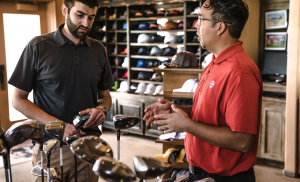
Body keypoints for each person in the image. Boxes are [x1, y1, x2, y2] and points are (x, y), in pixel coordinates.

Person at [144, 0, 262, 182]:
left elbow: (243, 140)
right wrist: (177, 112)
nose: (195, 24)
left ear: (220, 27)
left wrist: (187, 125)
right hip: (198, 173)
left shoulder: (240, 72)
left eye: (201, 19)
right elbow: (209, 114)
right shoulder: (214, 62)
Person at [8, 0, 114, 181]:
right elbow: (18, 100)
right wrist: (59, 126)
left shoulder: (98, 49)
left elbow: (105, 96)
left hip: (89, 145)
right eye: (79, 15)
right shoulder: (37, 46)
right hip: (52, 147)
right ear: (65, 9)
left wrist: (102, 109)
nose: (86, 24)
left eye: (91, 17)